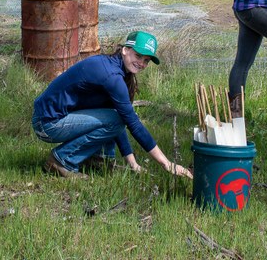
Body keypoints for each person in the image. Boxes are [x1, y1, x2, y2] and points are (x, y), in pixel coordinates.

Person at [32, 31, 193, 180]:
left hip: (51, 120)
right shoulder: (111, 76)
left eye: (146, 60)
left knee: (114, 118)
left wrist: (133, 164)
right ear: (125, 50)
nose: (141, 63)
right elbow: (131, 123)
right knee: (117, 119)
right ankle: (62, 160)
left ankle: (97, 160)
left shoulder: (114, 68)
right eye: (138, 55)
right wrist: (166, 163)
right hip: (48, 124)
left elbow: (116, 116)